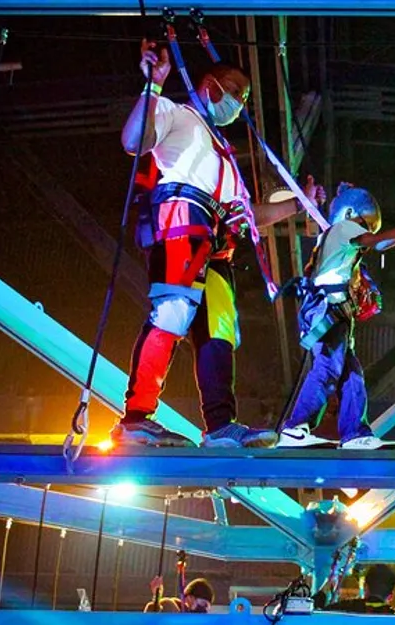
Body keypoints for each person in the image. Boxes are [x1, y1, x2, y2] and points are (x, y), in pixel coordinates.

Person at [111, 39, 324, 449]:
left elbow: (247, 213)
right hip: (183, 223)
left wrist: (298, 206)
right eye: (233, 90)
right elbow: (134, 141)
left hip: (219, 242)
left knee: (218, 332)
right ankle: (136, 417)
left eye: (243, 98)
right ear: (209, 85)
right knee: (173, 311)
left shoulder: (223, 155)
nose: (237, 103)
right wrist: (154, 87)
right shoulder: (179, 116)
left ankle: (221, 425)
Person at [277, 184, 395, 450]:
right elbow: (379, 243)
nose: (365, 229)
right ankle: (295, 428)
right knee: (328, 367)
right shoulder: (343, 228)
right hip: (329, 310)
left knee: (352, 375)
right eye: (364, 223)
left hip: (333, 313)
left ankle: (355, 434)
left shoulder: (334, 239)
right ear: (350, 213)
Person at [313, 563, 395, 613]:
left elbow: (313, 613)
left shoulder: (345, 608)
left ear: (365, 587)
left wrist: (324, 590)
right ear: (391, 596)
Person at [145, 575, 214, 613]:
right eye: (203, 604)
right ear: (189, 598)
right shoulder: (169, 606)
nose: (205, 610)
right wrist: (157, 597)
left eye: (208, 607)